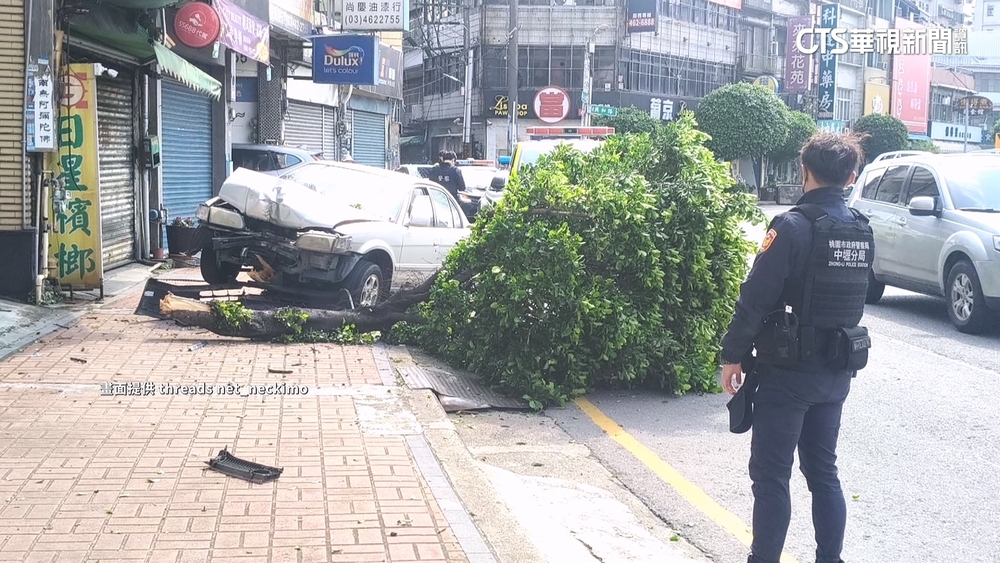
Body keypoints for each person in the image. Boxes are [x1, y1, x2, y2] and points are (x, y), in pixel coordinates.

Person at [720, 132, 875, 563]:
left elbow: (755, 298)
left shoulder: (791, 226)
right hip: (837, 370)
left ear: (804, 171)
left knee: (771, 477)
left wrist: (732, 355)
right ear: (851, 176)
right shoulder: (861, 229)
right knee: (824, 472)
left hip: (787, 374)